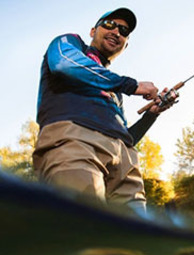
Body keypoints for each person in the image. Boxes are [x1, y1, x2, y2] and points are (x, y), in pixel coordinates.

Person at [32, 7, 177, 214]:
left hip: (126, 162)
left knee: (135, 236)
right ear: (93, 31)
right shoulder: (70, 43)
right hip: (75, 140)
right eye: (110, 25)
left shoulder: (115, 91)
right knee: (82, 224)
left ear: (125, 46)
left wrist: (152, 114)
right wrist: (131, 85)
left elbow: (127, 137)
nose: (117, 32)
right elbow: (64, 64)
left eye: (124, 31)